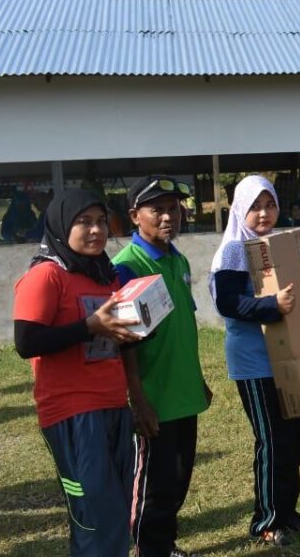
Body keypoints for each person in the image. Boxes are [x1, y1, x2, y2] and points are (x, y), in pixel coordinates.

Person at [209, 176, 300, 547]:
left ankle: (287, 512)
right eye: (255, 207)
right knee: (272, 440)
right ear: (240, 209)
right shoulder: (233, 252)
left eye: (269, 205)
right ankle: (267, 521)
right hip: (254, 363)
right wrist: (272, 305)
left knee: (296, 436)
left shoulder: (279, 245)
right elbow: (227, 303)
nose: (264, 213)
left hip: (289, 357)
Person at [13, 189, 142, 556]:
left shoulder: (106, 275)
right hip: (71, 412)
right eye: (84, 222)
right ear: (61, 225)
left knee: (118, 509)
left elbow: (119, 336)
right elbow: (26, 342)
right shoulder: (46, 276)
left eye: (101, 221)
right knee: (94, 514)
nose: (96, 230)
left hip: (114, 405)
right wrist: (88, 327)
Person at [112, 176, 210, 557]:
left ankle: (164, 544)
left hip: (183, 392)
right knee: (154, 485)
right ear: (135, 216)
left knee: (178, 479)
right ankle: (149, 548)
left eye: (174, 208)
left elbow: (183, 324)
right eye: (158, 210)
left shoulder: (178, 259)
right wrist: (138, 399)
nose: (169, 217)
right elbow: (124, 343)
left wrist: (197, 379)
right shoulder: (126, 267)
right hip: (155, 398)